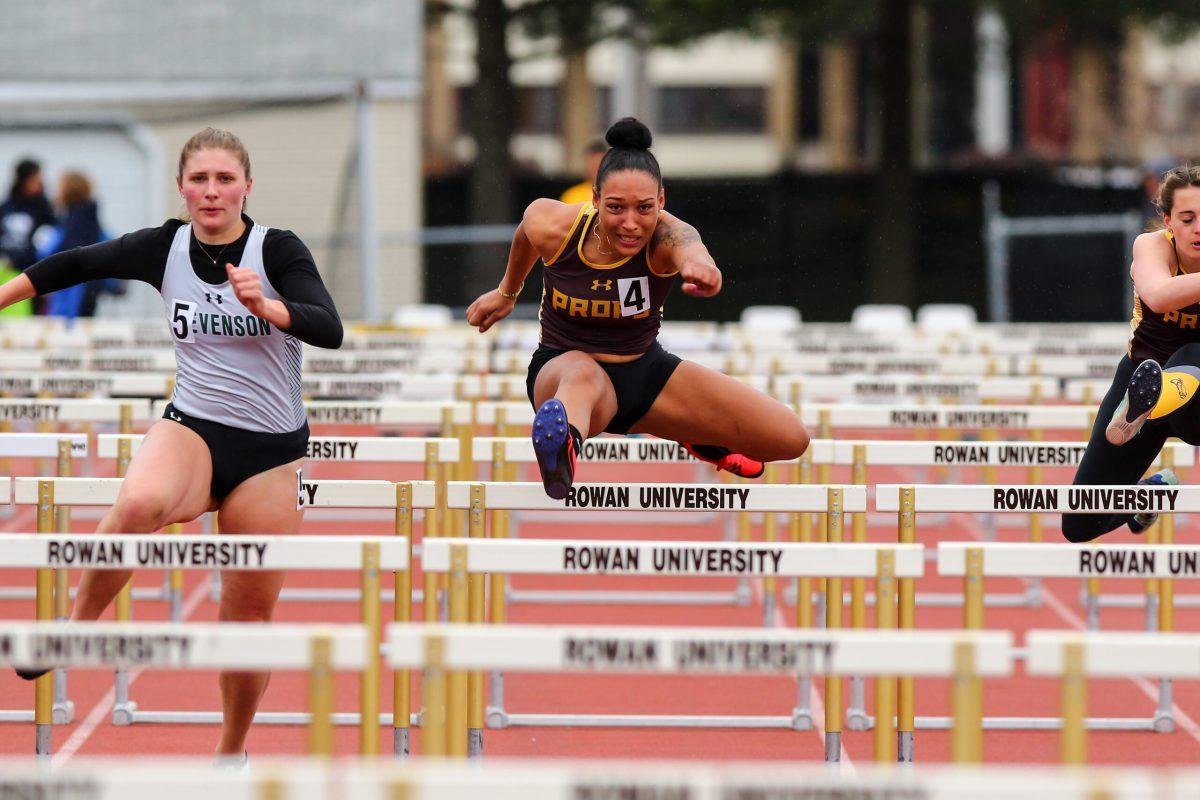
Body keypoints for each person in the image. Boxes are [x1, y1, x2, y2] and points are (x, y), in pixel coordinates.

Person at [0, 128, 343, 760]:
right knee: (138, 503)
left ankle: (230, 752)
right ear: (182, 187)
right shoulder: (166, 246)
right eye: (200, 180)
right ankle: (73, 631)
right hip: (193, 427)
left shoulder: (278, 249)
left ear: (246, 186)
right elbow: (75, 263)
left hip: (270, 451)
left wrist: (269, 307)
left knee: (245, 625)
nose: (212, 192)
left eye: (224, 179)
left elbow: (330, 327)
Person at [467, 117, 808, 498]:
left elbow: (691, 247)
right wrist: (507, 293)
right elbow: (526, 234)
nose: (630, 223)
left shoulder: (667, 235)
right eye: (615, 208)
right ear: (594, 200)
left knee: (789, 439)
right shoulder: (554, 224)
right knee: (583, 374)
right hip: (563, 372)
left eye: (644, 208)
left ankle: (696, 434)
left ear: (661, 202)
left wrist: (701, 267)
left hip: (644, 374)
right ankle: (562, 451)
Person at [1065, 164, 1200, 543]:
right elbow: (1157, 296)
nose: (1198, 229)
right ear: (1168, 221)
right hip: (1138, 385)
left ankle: (1157, 399)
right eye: (1187, 218)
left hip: (1196, 402)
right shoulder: (1151, 246)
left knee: (1193, 351)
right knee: (1079, 524)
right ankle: (1148, 497)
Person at [38, 170, 125, 319]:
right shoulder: (92, 224)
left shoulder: (68, 226)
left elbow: (49, 257)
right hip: (88, 298)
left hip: (68, 301)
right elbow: (109, 252)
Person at [559, 137, 607, 205]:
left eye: (599, 164)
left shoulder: (614, 193)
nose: (595, 169)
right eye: (592, 164)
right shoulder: (572, 195)